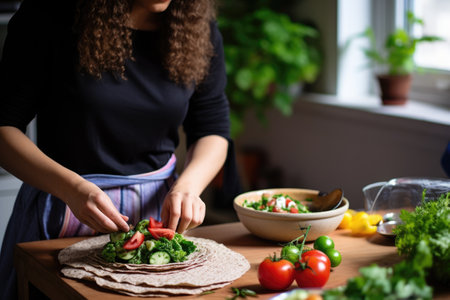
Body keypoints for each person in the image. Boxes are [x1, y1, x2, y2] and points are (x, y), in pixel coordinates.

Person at [0, 0, 235, 298]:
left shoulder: (197, 26)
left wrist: (188, 187)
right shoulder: (47, 14)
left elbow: (212, 129)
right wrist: (72, 189)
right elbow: (4, 128)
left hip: (157, 216)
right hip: (62, 208)